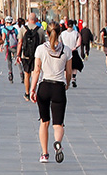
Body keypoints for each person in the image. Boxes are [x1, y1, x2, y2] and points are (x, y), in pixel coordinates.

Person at [29, 22, 72, 164]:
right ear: (60, 33)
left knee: (44, 122)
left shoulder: (41, 49)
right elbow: (69, 72)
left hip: (44, 86)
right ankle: (58, 142)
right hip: (58, 87)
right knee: (58, 123)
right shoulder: (66, 50)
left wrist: (32, 89)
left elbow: (36, 71)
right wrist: (66, 83)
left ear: (47, 33)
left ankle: (44, 154)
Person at [18, 14, 46, 101]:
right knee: (35, 73)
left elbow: (20, 42)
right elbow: (43, 43)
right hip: (36, 56)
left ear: (28, 19)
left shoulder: (23, 29)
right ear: (36, 20)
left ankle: (27, 93)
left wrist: (18, 55)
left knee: (27, 74)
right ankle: (34, 91)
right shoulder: (40, 30)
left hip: (25, 55)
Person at [60, 21, 82, 87]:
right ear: (73, 26)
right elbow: (79, 43)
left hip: (65, 51)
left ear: (66, 25)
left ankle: (65, 79)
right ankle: (73, 78)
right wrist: (74, 47)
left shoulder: (62, 34)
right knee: (74, 66)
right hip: (73, 51)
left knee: (65, 66)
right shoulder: (76, 33)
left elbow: (60, 42)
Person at [0, 16, 20, 83]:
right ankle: (21, 74)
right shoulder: (15, 29)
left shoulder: (4, 29)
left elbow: (3, 38)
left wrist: (1, 46)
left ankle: (10, 74)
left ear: (6, 22)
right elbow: (18, 38)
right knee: (17, 60)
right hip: (14, 46)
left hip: (7, 46)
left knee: (9, 61)